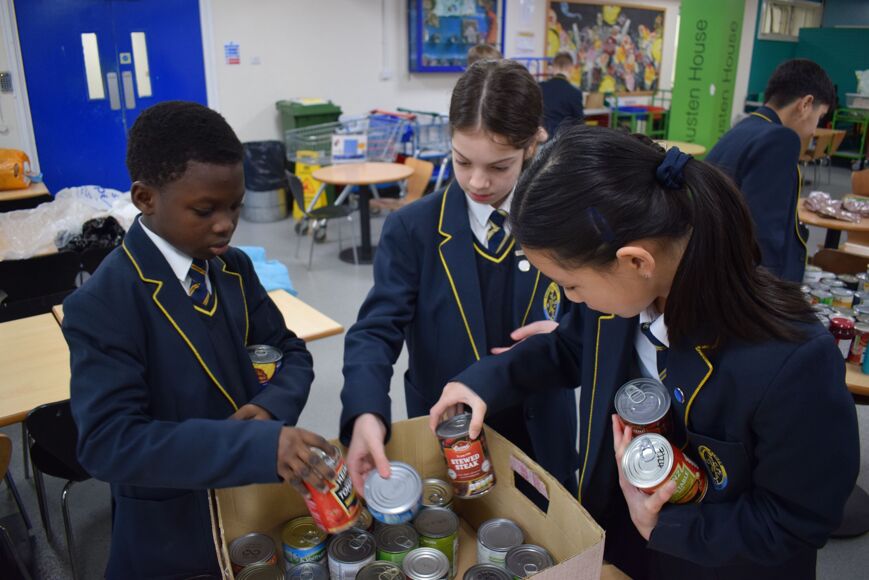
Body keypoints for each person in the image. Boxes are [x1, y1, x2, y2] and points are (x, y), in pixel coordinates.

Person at [429, 124, 859, 579]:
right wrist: (481, 382)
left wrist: (667, 527)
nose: (570, 299)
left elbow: (798, 517)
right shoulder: (624, 297)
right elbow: (571, 348)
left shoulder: (791, 360)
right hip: (622, 535)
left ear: (636, 261)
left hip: (712, 559)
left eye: (570, 285)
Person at [63, 101, 334, 578]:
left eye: (235, 206)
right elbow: (109, 442)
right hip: (173, 529)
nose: (226, 223)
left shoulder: (233, 268)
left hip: (255, 508)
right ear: (145, 198)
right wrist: (251, 446)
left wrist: (270, 408)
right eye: (205, 210)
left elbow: (290, 351)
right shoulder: (106, 302)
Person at [340, 60, 578, 498]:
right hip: (449, 436)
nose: (478, 181)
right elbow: (376, 329)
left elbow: (593, 319)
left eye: (500, 167)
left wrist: (567, 333)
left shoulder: (563, 221)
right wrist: (365, 410)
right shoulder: (413, 229)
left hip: (540, 432)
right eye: (462, 161)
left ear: (533, 144)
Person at [706, 59, 835, 283]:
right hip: (746, 281)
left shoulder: (742, 129)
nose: (814, 131)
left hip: (715, 267)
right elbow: (764, 234)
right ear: (806, 104)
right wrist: (770, 293)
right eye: (820, 117)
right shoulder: (780, 139)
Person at [539, 51, 585, 137]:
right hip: (563, 140)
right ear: (571, 69)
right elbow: (579, 123)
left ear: (553, 68)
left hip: (541, 137)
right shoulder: (575, 93)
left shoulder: (540, 87)